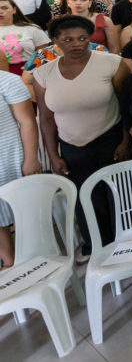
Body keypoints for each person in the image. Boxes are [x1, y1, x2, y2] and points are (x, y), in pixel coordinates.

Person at [34, 15, 131, 261]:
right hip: (72, 145)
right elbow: (46, 118)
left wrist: (126, 141)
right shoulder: (43, 73)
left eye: (82, 38)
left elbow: (127, 106)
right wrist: (53, 154)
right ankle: (97, 246)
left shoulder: (111, 63)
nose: (76, 44)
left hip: (110, 139)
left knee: (117, 194)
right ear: (55, 41)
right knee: (85, 197)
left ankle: (128, 243)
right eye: (68, 39)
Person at [0, 69, 40, 268]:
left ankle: (35, 265)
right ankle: (9, 266)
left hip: (9, 160)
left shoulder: (7, 81)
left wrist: (31, 158)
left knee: (24, 217)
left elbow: (27, 122)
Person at [0, 0, 51, 75]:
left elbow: (46, 52)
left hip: (29, 71)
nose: (0, 11)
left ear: (14, 10)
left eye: (4, 8)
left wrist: (33, 68)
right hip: (2, 76)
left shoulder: (31, 28)